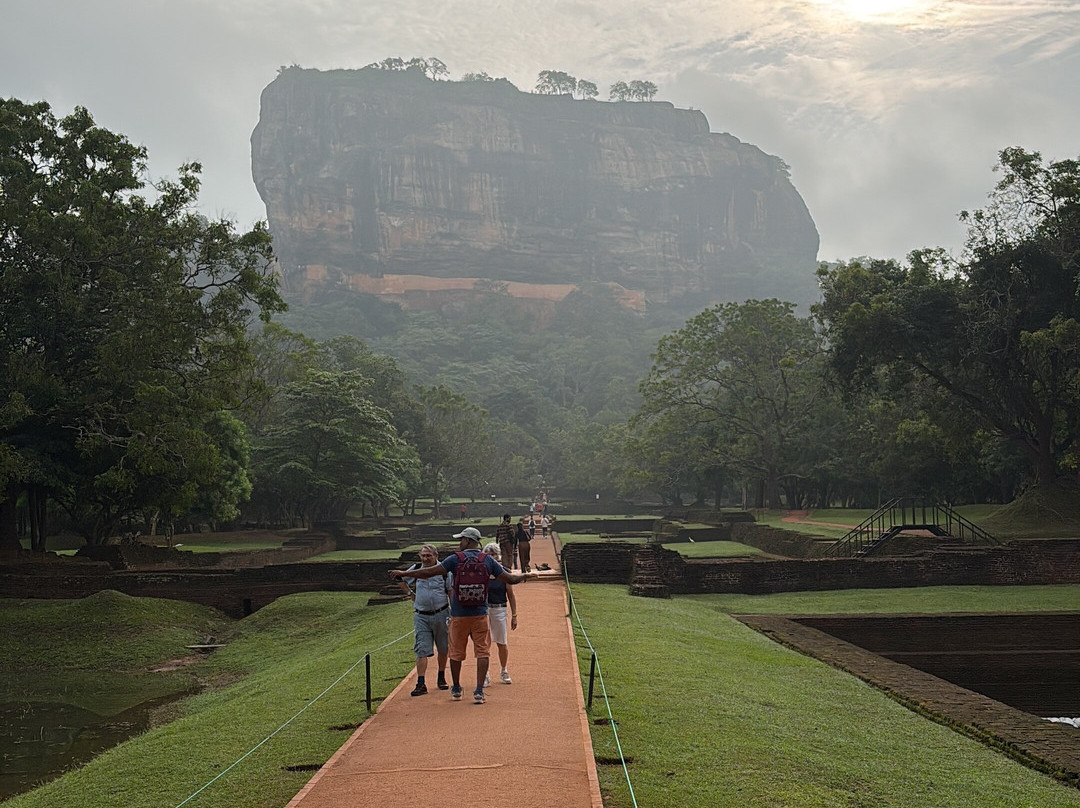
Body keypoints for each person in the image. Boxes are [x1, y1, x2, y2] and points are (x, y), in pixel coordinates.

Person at [390, 527, 531, 704]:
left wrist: (404, 573)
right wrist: (525, 575)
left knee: (456, 653)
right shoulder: (487, 559)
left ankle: (456, 687)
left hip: (459, 614)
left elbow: (428, 572)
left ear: (468, 540)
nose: (460, 542)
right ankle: (479, 691)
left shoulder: (455, 559)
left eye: (462, 539)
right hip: (480, 613)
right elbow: (510, 579)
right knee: (482, 652)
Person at [396, 544, 450, 695]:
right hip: (421, 615)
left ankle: (441, 676)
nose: (426, 559)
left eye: (429, 556)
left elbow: (450, 590)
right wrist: (410, 594)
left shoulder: (444, 571)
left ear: (436, 556)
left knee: (443, 648)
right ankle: (421, 683)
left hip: (441, 613)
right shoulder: (416, 569)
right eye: (423, 556)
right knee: (421, 649)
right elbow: (400, 578)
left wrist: (453, 615)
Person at [482, 542, 517, 687]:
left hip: (499, 609)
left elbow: (511, 595)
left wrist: (514, 615)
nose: (491, 557)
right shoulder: (481, 572)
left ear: (498, 556)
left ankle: (504, 670)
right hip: (484, 610)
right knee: (484, 643)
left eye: (494, 555)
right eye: (488, 555)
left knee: (502, 642)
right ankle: (485, 674)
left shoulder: (504, 572)